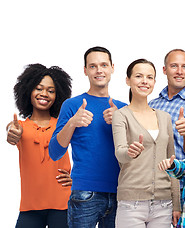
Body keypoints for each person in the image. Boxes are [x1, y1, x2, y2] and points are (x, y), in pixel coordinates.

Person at [50, 46, 128, 227]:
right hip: (85, 194)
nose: (99, 70)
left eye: (103, 65)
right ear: (85, 70)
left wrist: (120, 121)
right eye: (92, 66)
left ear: (112, 68)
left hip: (121, 193)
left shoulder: (123, 108)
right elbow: (54, 152)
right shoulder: (72, 105)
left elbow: (135, 152)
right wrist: (72, 123)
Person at [111, 59, 181, 227]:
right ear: (128, 80)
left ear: (155, 82)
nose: (144, 81)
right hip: (131, 204)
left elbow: (172, 163)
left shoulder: (165, 117)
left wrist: (176, 204)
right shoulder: (121, 115)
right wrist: (129, 152)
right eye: (138, 76)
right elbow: (120, 153)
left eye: (149, 77)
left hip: (163, 205)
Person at [8, 64, 73, 228]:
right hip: (30, 207)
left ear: (58, 95)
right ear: (28, 90)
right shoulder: (20, 126)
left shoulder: (63, 125)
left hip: (62, 205)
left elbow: (87, 152)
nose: (44, 94)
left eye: (51, 91)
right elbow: (11, 129)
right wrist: (11, 131)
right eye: (39, 88)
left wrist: (77, 179)